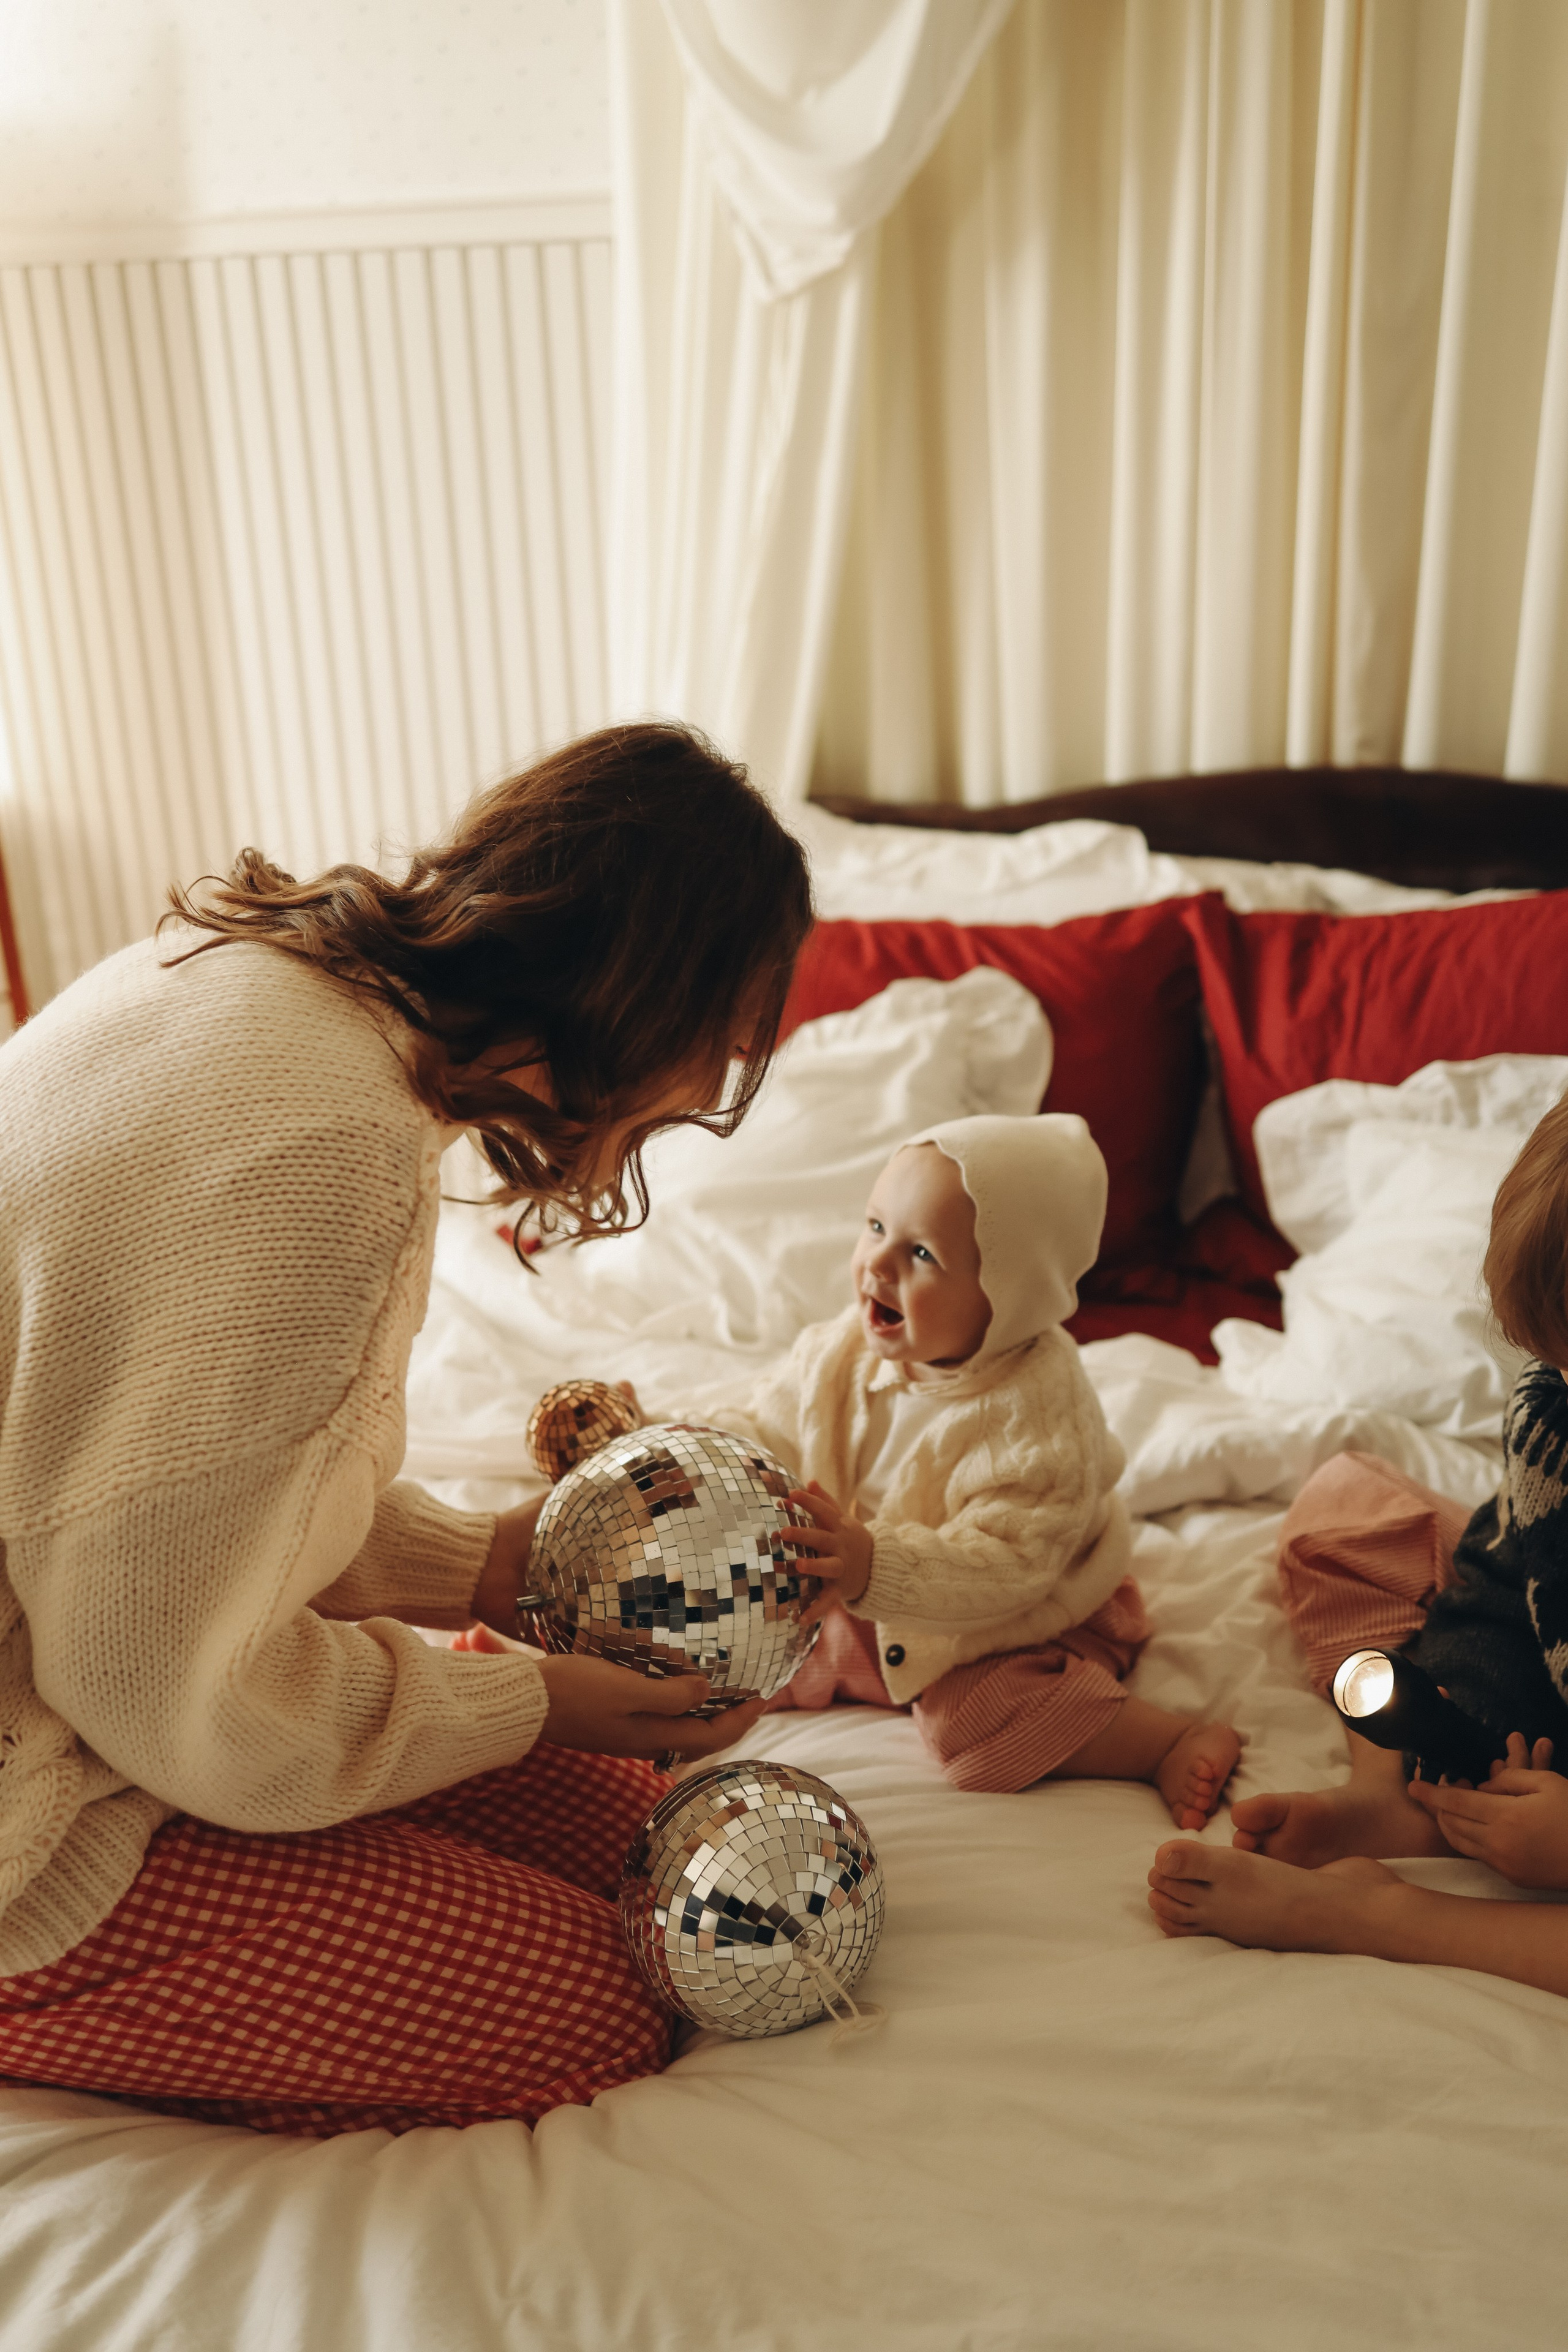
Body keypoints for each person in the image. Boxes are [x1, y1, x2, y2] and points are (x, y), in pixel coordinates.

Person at [0, 721, 813, 2136]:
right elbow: (180, 1685)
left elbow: (165, 1480)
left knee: (643, 1831)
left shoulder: (243, 970)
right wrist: (526, 1694)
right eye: (727, 1048)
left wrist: (492, 1566)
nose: (702, 1097)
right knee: (602, 1996)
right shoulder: (328, 1159)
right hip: (48, 1796)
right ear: (653, 1002)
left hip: (87, 1661)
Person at [1147, 1092, 1568, 1997]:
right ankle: (1393, 1806)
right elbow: (1505, 1576)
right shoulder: (1555, 1412)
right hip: (1543, 1698)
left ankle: (1376, 1916)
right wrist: (1443, 1733)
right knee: (1344, 1511)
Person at [712, 1117, 1242, 1820]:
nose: (877, 1264)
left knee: (973, 1726)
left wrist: (872, 1567)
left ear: (1012, 1292)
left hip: (1015, 1616)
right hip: (868, 1581)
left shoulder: (1037, 1417)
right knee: (739, 1629)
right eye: (874, 1226)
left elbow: (1009, 1564)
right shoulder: (840, 1351)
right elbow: (767, 1427)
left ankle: (1163, 1741)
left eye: (921, 1253)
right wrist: (699, 1445)